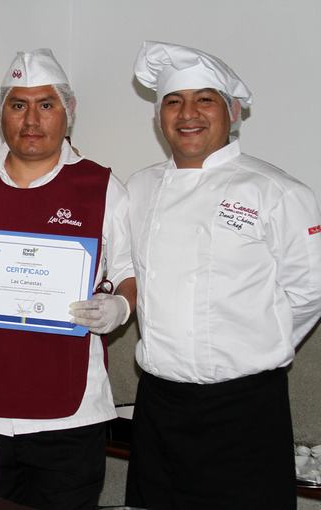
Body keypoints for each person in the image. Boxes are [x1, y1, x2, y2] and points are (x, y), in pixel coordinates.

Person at [0, 48, 136, 509]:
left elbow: (129, 270)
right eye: (18, 105)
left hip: (70, 416)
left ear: (69, 111)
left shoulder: (101, 187)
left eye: (46, 104)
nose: (31, 119)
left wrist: (121, 306)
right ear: (1, 112)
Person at [125, 41, 321, 510]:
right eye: (173, 101)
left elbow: (310, 291)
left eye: (205, 100)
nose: (187, 114)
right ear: (158, 117)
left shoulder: (277, 191)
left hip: (245, 409)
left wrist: (256, 344)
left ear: (232, 112)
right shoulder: (139, 188)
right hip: (158, 405)